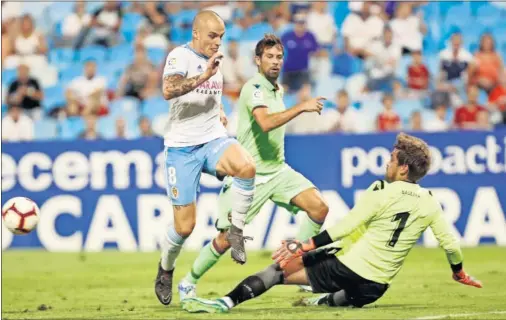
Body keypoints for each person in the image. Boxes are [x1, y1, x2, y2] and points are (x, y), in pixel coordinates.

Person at [180, 133, 482, 314]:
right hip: (376, 288)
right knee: (344, 295)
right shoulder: (430, 201)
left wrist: (304, 246)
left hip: (348, 269)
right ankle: (323, 302)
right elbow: (451, 244)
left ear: (403, 168)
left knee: (278, 270)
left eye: (392, 159)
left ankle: (225, 303)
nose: (387, 162)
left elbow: (346, 226)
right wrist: (458, 272)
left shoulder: (381, 191)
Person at [177, 34, 329, 301]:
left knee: (319, 208)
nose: (275, 61)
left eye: (279, 57)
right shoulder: (254, 88)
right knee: (226, 239)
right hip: (250, 175)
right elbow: (266, 123)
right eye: (269, 57)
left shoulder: (276, 89)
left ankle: (298, 265)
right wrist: (302, 107)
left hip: (278, 170)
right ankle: (188, 282)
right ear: (257, 60)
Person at [155, 10, 257, 306]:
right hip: (182, 148)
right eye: (213, 36)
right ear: (196, 33)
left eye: (222, 37)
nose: (218, 42)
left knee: (246, 166)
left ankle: (236, 230)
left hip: (212, 139)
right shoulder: (180, 56)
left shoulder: (216, 63)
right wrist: (203, 76)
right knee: (184, 227)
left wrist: (220, 109)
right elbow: (168, 90)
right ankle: (165, 269)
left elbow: (212, 93)